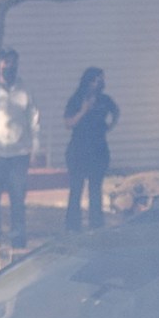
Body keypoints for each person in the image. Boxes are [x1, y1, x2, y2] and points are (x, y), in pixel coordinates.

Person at [0, 49, 39, 251]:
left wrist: (35, 147)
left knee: (18, 199)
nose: (9, 67)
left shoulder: (25, 89)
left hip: (19, 153)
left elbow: (33, 119)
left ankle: (18, 240)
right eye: (5, 63)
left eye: (13, 63)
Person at [63, 67, 119, 232]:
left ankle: (96, 223)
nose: (100, 83)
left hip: (99, 149)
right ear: (88, 81)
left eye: (102, 79)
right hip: (79, 149)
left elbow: (116, 112)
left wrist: (110, 126)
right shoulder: (76, 99)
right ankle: (72, 225)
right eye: (96, 80)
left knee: (95, 188)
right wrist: (83, 110)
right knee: (76, 188)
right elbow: (68, 123)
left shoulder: (105, 100)